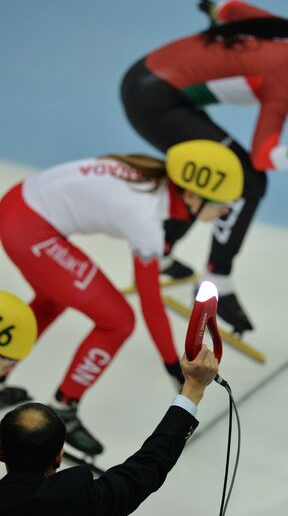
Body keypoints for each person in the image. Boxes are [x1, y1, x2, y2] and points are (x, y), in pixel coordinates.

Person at [121, 0, 288, 334]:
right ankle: (217, 279)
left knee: (212, 166)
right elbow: (263, 156)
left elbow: (231, 8)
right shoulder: (286, 73)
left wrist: (214, 9)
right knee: (250, 180)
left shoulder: (287, 30)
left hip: (149, 81)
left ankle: (161, 251)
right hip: (155, 101)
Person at [0, 140, 243, 456]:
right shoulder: (146, 217)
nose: (226, 210)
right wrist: (174, 364)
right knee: (117, 321)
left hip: (19, 208)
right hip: (30, 226)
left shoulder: (154, 182)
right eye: (222, 203)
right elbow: (150, 302)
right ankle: (64, 406)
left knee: (52, 298)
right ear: (192, 195)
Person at [0, 345, 218, 516]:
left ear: (1, 452)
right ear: (59, 457)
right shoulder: (79, 500)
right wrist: (193, 388)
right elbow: (148, 466)